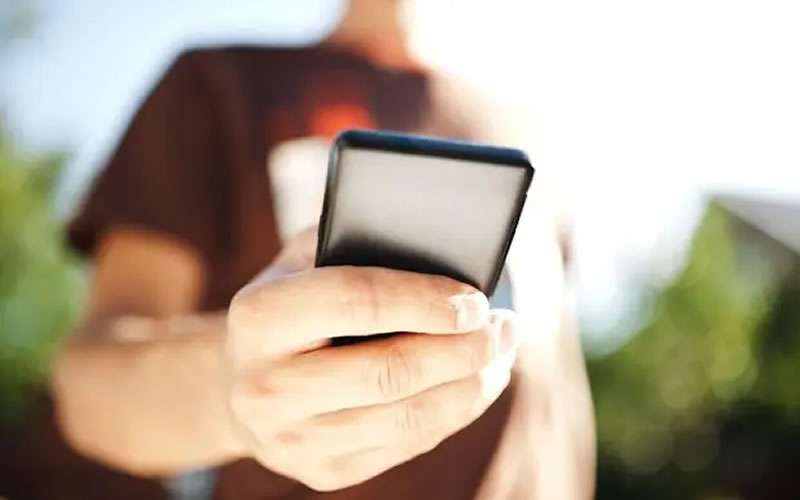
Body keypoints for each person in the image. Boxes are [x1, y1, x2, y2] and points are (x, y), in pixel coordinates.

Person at [4, 1, 595, 499]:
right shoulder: (221, 83)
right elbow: (90, 387)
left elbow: (558, 400)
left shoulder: (537, 130)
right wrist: (233, 396)